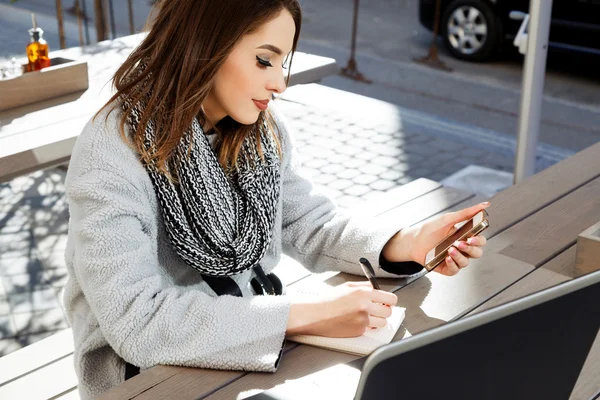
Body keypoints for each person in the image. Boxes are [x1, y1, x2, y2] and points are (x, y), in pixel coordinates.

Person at [62, 0, 489, 398]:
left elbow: (308, 223)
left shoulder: (259, 133)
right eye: (264, 60)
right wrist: (307, 314)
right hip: (147, 378)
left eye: (282, 63)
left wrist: (405, 244)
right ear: (204, 46)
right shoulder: (112, 150)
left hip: (256, 342)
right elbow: (138, 320)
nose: (280, 82)